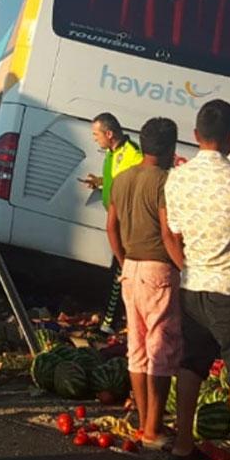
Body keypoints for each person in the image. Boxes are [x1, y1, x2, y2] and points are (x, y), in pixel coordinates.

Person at [164, 99, 230, 460]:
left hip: (193, 285)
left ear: (196, 135)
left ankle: (181, 444)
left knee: (191, 364)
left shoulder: (177, 178)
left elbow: (175, 230)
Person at [107, 117, 185, 447]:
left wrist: (124, 261)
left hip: (131, 270)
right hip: (159, 271)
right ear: (170, 148)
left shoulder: (123, 178)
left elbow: (111, 226)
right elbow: (168, 234)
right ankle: (155, 427)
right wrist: (187, 268)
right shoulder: (166, 182)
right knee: (162, 351)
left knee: (136, 349)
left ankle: (142, 421)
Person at [80, 113, 140, 334]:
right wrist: (99, 182)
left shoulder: (132, 155)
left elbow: (134, 185)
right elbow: (116, 179)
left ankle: (110, 325)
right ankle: (110, 320)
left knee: (120, 272)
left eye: (96, 134)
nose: (95, 139)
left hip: (127, 222)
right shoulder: (112, 152)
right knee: (116, 269)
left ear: (109, 133)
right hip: (116, 218)